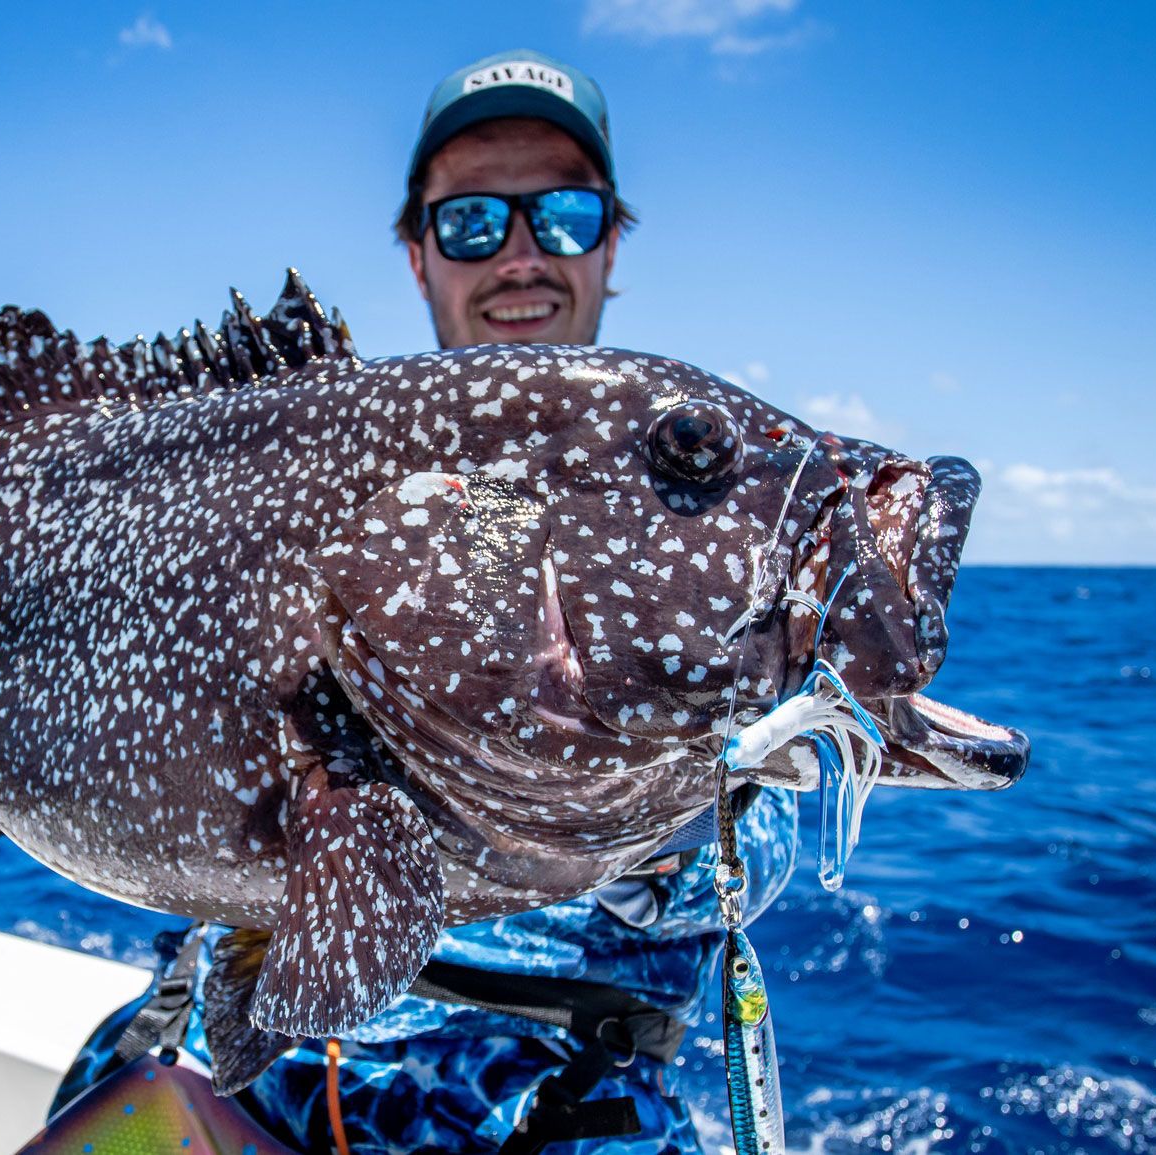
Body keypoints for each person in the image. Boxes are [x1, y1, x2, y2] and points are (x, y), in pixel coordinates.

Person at [48, 48, 799, 1155]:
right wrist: (2, 758)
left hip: (546, 1087)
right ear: (417, 254)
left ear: (607, 242)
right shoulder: (292, 461)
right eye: (470, 223)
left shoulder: (700, 500)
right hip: (240, 1042)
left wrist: (680, 824)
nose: (517, 256)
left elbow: (778, 810)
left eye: (561, 214)